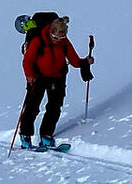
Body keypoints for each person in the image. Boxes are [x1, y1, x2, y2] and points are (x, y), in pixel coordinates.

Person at [19, 12, 93, 149]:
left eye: (62, 37)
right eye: (56, 37)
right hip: (38, 77)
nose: (58, 40)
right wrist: (29, 76)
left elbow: (74, 60)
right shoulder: (38, 41)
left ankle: (46, 135)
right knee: (33, 106)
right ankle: (25, 135)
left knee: (54, 107)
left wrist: (84, 62)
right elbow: (27, 61)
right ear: (51, 32)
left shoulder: (64, 42)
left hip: (58, 77)